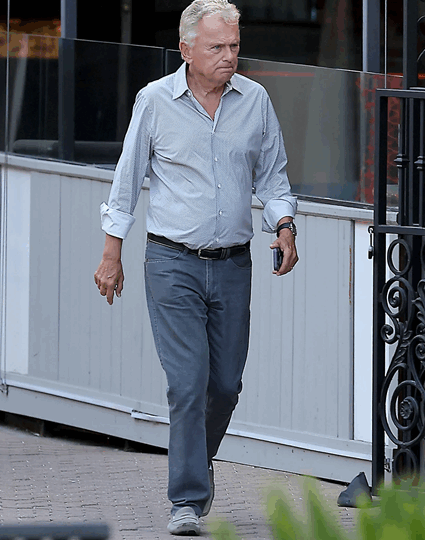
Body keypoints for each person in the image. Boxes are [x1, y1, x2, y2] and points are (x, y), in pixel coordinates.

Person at [94, 0, 298, 535]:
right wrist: (112, 253)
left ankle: (196, 460)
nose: (229, 56)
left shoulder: (255, 101)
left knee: (225, 385)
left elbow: (273, 177)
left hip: (233, 265)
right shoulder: (155, 101)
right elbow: (127, 178)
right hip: (171, 263)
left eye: (234, 46)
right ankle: (186, 499)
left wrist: (284, 226)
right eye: (217, 47)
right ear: (186, 50)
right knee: (187, 384)